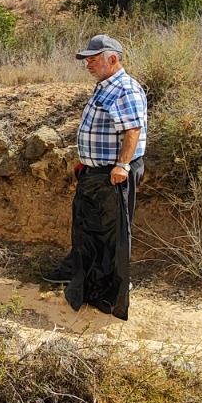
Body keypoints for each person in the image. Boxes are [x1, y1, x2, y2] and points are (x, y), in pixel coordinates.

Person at [43, 34, 148, 322]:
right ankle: (85, 284)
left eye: (92, 59)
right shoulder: (105, 86)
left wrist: (121, 166)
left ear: (112, 59)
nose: (87, 64)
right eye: (86, 59)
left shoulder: (125, 88)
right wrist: (87, 162)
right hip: (97, 172)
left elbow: (132, 131)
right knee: (90, 230)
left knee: (113, 235)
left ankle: (110, 295)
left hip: (113, 174)